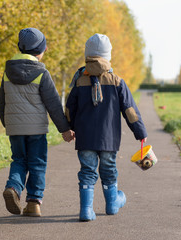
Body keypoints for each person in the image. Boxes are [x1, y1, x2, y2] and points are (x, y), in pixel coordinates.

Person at [65, 33, 147, 221]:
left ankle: (86, 210)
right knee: (109, 170)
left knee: (87, 171)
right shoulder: (117, 81)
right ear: (107, 56)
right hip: (109, 139)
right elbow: (130, 111)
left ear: (88, 55)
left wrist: (68, 128)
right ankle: (112, 204)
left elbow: (70, 109)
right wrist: (140, 132)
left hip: (85, 139)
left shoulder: (79, 81)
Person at [0, 27, 73, 217]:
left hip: (15, 128)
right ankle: (33, 203)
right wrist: (65, 129)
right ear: (40, 49)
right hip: (36, 129)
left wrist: (8, 123)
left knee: (19, 160)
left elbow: (1, 102)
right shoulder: (41, 73)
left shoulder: (7, 72)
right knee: (37, 163)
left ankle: (13, 188)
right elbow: (54, 105)